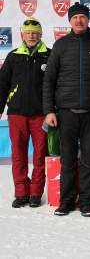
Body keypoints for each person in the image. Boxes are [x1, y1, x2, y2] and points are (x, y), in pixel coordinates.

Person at [43, 3, 90, 217]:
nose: (79, 20)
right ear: (69, 21)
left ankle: (86, 202)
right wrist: (49, 110)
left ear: (88, 20)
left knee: (88, 159)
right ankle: (66, 201)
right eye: (75, 17)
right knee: (67, 160)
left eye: (82, 17)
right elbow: (49, 80)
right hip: (65, 112)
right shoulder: (60, 45)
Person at [0, 17, 50, 208]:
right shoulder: (13, 56)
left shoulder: (49, 55)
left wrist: (52, 110)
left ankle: (36, 193)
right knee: (18, 154)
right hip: (17, 114)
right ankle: (21, 192)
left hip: (41, 115)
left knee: (40, 155)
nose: (31, 35)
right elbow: (3, 85)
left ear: (40, 34)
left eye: (35, 32)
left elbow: (54, 85)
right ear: (22, 34)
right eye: (28, 32)